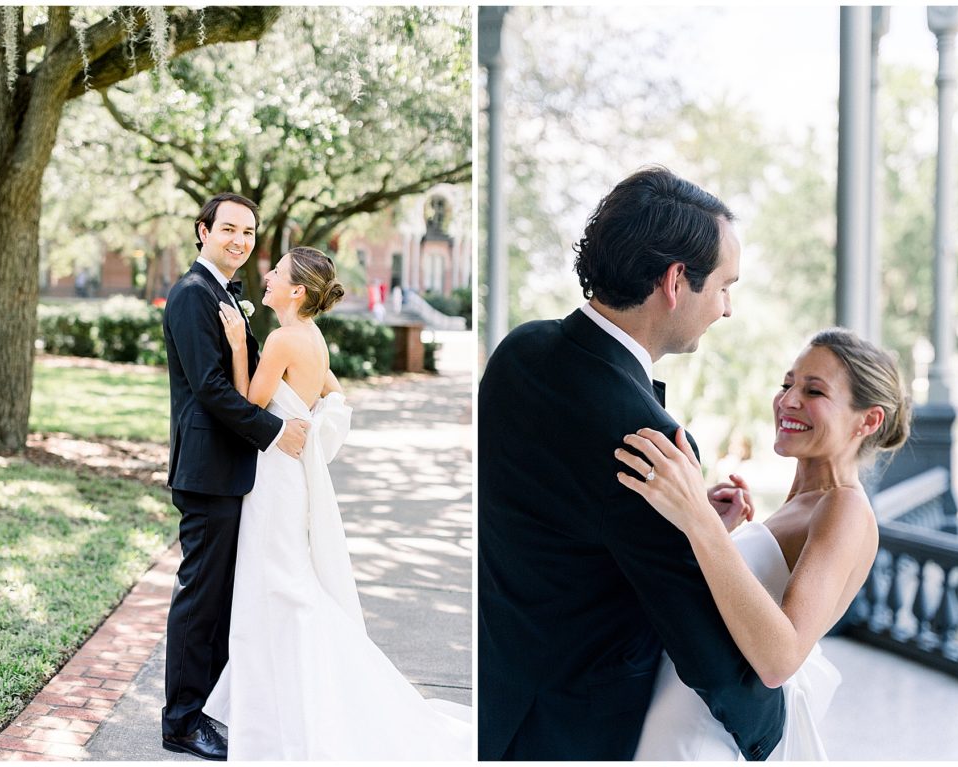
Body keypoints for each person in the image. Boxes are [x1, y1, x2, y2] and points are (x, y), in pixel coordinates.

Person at [478, 166, 785, 761]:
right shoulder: (651, 441)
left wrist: (691, 528)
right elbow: (705, 648)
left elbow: (559, 526)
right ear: (676, 281)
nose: (728, 309)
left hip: (500, 698)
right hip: (572, 732)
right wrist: (773, 727)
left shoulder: (521, 349)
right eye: (725, 286)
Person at [201, 246, 472, 760]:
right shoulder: (312, 336)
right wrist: (303, 422)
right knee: (282, 582)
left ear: (296, 291)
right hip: (289, 473)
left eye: (276, 272)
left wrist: (239, 345)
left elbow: (245, 405)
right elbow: (335, 394)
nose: (268, 275)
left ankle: (308, 698)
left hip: (278, 477)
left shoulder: (282, 338)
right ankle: (282, 701)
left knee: (281, 587)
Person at [617, 328, 910, 760]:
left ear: (868, 420)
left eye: (813, 391)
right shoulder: (801, 504)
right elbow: (730, 616)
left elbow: (779, 659)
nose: (788, 400)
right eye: (787, 383)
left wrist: (700, 522)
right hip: (674, 712)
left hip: (700, 736)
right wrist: (714, 532)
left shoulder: (845, 507)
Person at [161, 193, 309, 760]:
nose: (240, 241)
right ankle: (181, 722)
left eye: (248, 232)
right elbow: (211, 390)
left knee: (220, 598)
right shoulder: (192, 295)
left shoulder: (224, 296)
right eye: (228, 229)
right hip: (206, 470)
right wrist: (274, 433)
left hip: (231, 469)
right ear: (203, 232)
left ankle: (209, 710)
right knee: (200, 598)